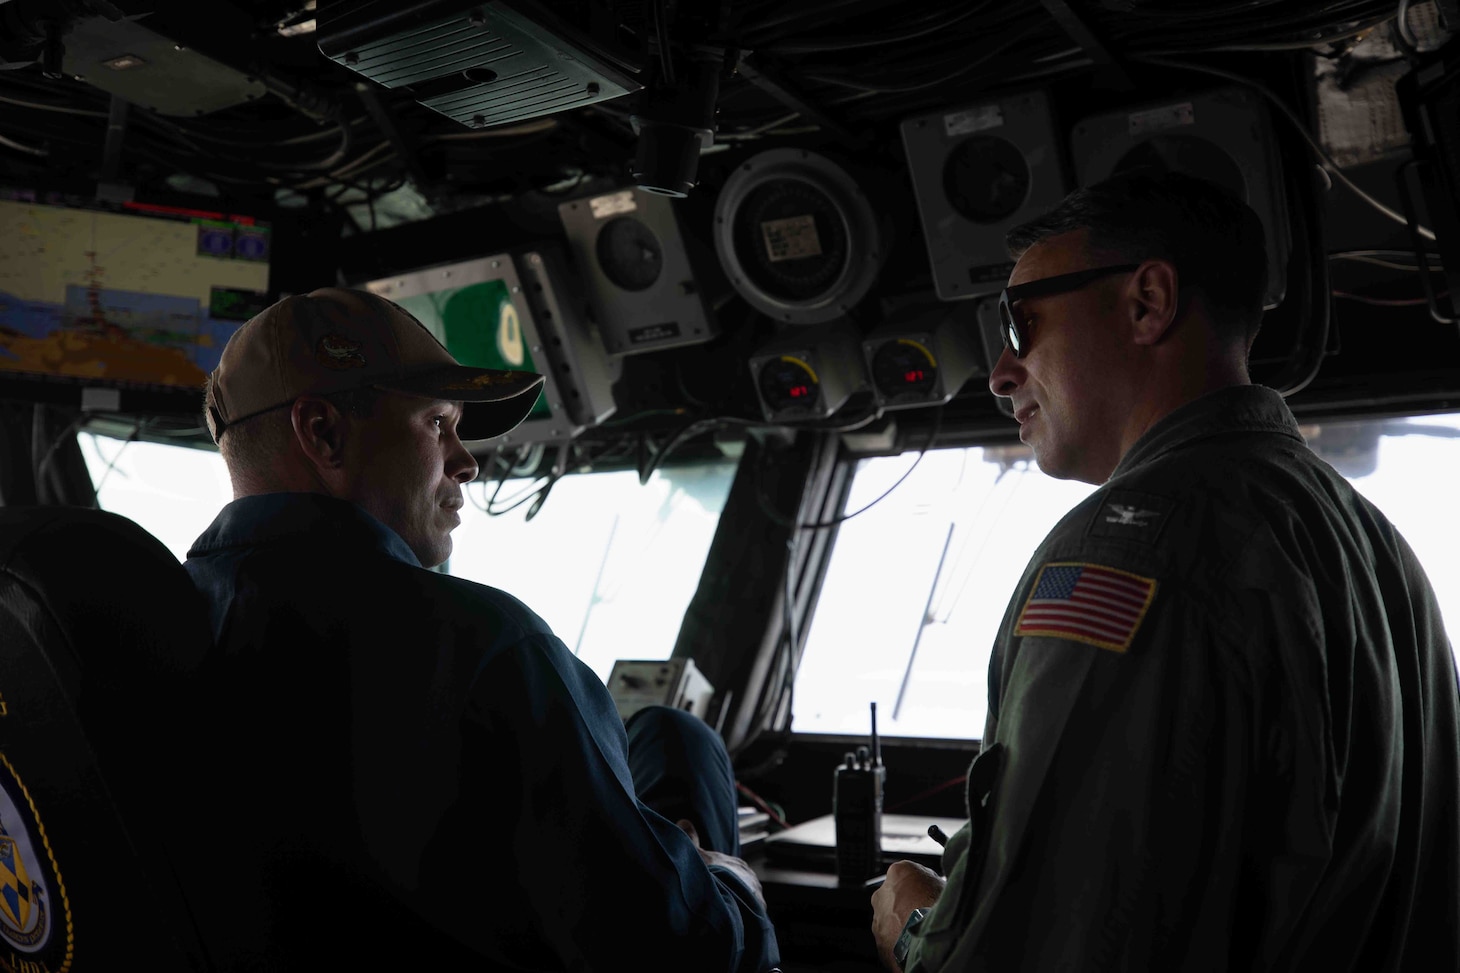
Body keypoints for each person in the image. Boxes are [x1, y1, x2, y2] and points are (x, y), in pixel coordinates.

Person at [871, 171, 1460, 971]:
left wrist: (914, 930)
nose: (1000, 371)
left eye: (1020, 322)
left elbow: (1059, 948)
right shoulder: (1381, 551)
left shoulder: (1131, 546)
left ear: (1147, 302)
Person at [178, 287, 781, 970]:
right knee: (685, 760)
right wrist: (730, 883)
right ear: (322, 433)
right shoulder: (487, 650)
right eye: (438, 424)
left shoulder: (156, 626)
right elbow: (676, 952)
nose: (466, 460)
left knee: (669, 737)